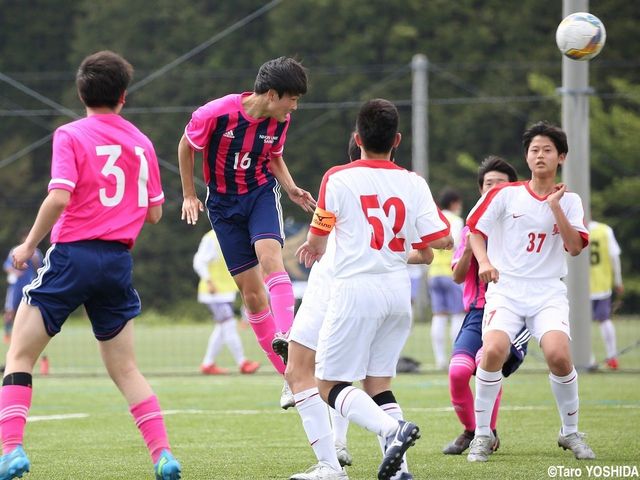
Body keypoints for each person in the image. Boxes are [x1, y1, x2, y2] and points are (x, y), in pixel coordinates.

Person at [0, 51, 181, 480]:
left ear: (82, 93)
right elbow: (154, 214)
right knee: (126, 368)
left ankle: (11, 451)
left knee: (19, 356)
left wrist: (28, 245)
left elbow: (60, 196)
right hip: (117, 262)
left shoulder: (70, 134)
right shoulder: (141, 141)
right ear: (123, 96)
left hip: (72, 256)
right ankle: (163, 456)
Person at [296, 99, 452, 480]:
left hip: (356, 292)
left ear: (356, 137)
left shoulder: (338, 177)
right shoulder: (413, 182)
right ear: (396, 139)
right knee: (379, 385)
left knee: (328, 384)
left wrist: (312, 249)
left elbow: (318, 239)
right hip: (398, 294)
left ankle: (391, 430)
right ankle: (401, 473)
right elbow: (441, 241)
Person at [177, 57, 315, 396]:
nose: (294, 107)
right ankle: (290, 378)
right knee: (253, 297)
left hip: (259, 195)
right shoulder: (214, 114)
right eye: (292, 99)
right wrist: (189, 195)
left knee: (271, 259)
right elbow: (186, 146)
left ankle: (287, 336)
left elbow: (273, 156)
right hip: (223, 206)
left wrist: (291, 188)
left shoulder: (280, 120)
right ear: (271, 94)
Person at [465, 121, 595, 462]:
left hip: (548, 292)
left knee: (558, 356)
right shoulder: (504, 195)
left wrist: (554, 207)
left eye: (547, 150)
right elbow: (474, 230)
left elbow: (575, 247)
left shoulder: (570, 202)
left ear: (561, 157)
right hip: (506, 290)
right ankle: (481, 435)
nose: (540, 155)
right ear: (526, 156)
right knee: (492, 351)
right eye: (534, 149)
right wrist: (483, 262)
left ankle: (570, 433)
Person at [443, 155, 531, 455]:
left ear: (514, 188)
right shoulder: (469, 229)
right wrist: (469, 250)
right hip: (477, 313)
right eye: (488, 184)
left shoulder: (525, 225)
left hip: (512, 311)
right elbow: (456, 277)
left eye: (500, 184)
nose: (493, 189)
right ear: (480, 190)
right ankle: (472, 430)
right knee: (457, 372)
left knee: (485, 365)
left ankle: (487, 433)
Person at [193, 230, 261, 375]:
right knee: (228, 325)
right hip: (214, 293)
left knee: (221, 329)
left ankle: (208, 364)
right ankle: (242, 362)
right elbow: (199, 261)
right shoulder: (211, 238)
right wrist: (209, 281)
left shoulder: (233, 234)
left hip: (225, 294)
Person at [427, 188, 465, 370]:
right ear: (455, 203)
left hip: (433, 273)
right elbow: (457, 244)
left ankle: (439, 359)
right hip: (452, 273)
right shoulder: (456, 221)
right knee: (458, 314)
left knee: (439, 316)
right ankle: (455, 356)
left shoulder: (433, 220)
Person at [588, 220, 624, 370]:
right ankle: (612, 356)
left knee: (578, 324)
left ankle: (588, 359)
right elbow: (614, 257)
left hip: (579, 287)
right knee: (604, 320)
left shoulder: (572, 226)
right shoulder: (604, 230)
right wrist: (618, 280)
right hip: (601, 285)